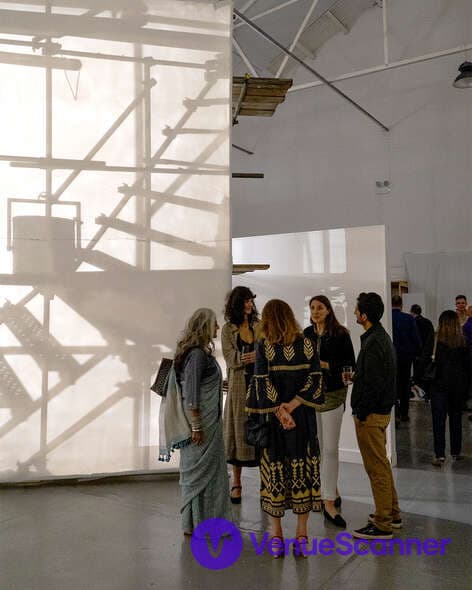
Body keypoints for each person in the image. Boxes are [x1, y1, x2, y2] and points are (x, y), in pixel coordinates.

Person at [246, 299, 324, 557]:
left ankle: (276, 535)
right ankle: (301, 536)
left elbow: (261, 382)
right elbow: (316, 380)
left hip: (275, 423)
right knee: (303, 472)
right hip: (302, 419)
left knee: (275, 475)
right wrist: (292, 406)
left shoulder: (264, 346)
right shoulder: (308, 344)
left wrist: (280, 411)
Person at [173, 308, 232, 535]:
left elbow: (200, 384)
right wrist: (196, 426)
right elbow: (191, 392)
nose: (217, 327)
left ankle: (198, 523)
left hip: (207, 421)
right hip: (202, 424)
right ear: (205, 326)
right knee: (205, 476)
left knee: (208, 474)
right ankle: (204, 523)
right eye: (214, 324)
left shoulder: (199, 353)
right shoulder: (197, 355)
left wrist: (221, 385)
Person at [350, 292, 401, 541]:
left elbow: (374, 384)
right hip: (379, 412)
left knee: (376, 469)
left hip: (370, 415)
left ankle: (383, 523)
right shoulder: (380, 337)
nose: (354, 312)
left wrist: (361, 412)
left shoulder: (373, 342)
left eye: (357, 309)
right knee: (382, 466)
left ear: (364, 315)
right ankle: (392, 513)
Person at [303, 295, 355, 529]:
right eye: (312, 308)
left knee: (331, 449)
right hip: (312, 396)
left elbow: (350, 365)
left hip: (333, 395)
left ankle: (329, 502)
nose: (315, 311)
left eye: (320, 307)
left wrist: (326, 365)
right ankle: (331, 490)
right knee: (320, 448)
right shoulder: (307, 333)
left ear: (328, 310)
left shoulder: (341, 334)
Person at [221, 286, 259, 504]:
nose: (249, 304)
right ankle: (236, 482)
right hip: (238, 386)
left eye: (251, 300)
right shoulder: (228, 329)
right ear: (237, 304)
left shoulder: (259, 326)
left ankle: (266, 483)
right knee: (238, 432)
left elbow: (269, 351)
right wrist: (247, 358)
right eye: (245, 301)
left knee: (261, 430)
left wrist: (257, 356)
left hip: (260, 383)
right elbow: (229, 357)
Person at [430, 310, 469, 465]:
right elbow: (467, 366)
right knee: (456, 419)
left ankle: (439, 454)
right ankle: (456, 451)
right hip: (457, 387)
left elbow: (426, 360)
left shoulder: (436, 341)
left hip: (438, 386)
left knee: (438, 421)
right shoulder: (463, 342)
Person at [391, 295, 421, 422]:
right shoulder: (409, 318)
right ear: (401, 305)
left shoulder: (387, 318)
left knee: (393, 384)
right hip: (406, 357)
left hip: (391, 356)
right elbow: (415, 338)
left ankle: (395, 412)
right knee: (404, 384)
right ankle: (404, 413)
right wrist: (416, 353)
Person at [410, 304, 435, 397]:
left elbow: (413, 339)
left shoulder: (413, 322)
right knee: (426, 374)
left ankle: (419, 394)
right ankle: (427, 394)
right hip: (427, 354)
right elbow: (431, 339)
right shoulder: (428, 322)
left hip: (417, 354)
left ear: (412, 312)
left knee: (417, 376)